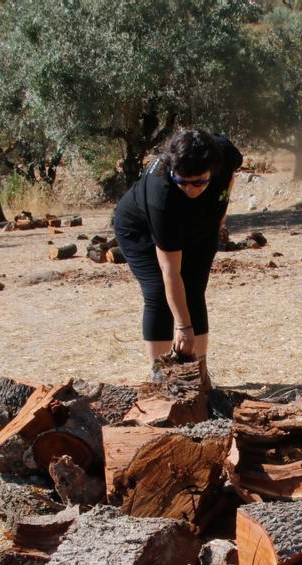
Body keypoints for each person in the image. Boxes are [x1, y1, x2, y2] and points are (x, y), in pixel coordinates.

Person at [112, 128, 243, 382]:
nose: (190, 189)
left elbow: (231, 175)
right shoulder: (161, 194)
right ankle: (161, 378)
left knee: (194, 291)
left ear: (212, 169)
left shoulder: (223, 154)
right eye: (182, 181)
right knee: (160, 293)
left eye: (199, 182)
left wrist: (221, 211)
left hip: (200, 226)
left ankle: (200, 377)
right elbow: (170, 271)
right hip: (139, 230)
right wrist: (183, 328)